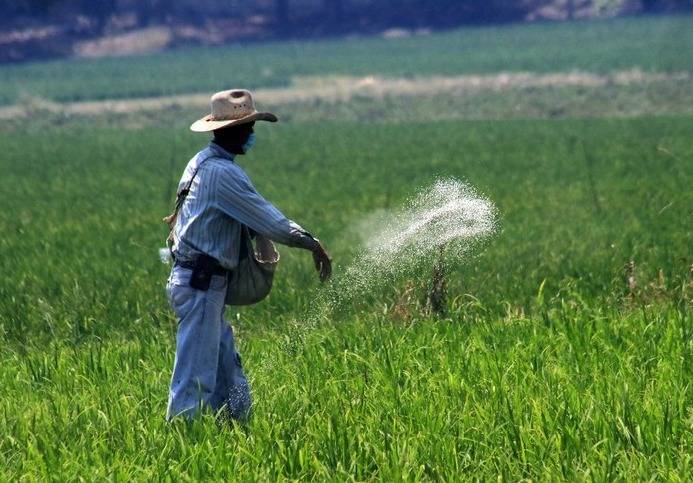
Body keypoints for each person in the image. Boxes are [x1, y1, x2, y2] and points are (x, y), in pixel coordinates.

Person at [164, 89, 332, 421]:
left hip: (202, 284)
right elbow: (273, 222)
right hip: (201, 285)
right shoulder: (223, 174)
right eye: (248, 127)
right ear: (230, 131)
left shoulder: (201, 162)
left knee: (230, 378)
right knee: (195, 381)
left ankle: (238, 435)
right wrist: (313, 244)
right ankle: (184, 441)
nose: (252, 134)